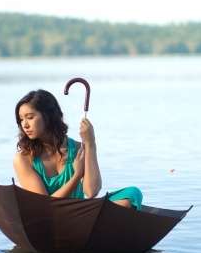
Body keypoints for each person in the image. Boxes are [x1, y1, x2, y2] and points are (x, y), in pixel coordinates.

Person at [13, 89, 143, 210]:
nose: (24, 125)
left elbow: (91, 191)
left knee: (132, 193)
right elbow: (45, 206)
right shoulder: (23, 158)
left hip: (79, 214)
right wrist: (76, 176)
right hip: (50, 219)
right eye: (21, 119)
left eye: (30, 117)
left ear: (49, 116)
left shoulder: (77, 148)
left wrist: (90, 143)